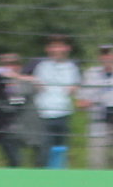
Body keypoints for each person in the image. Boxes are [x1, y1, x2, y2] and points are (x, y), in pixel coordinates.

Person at [26, 35, 79, 167]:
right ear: (48, 49)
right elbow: (23, 77)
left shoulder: (72, 67)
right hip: (42, 114)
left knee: (60, 149)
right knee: (43, 150)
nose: (56, 49)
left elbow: (74, 88)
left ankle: (59, 177)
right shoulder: (40, 65)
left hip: (63, 113)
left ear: (67, 48)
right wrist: (33, 82)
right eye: (53, 46)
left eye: (59, 46)